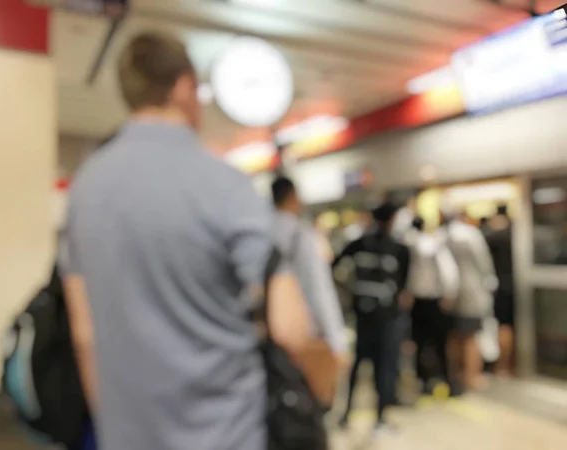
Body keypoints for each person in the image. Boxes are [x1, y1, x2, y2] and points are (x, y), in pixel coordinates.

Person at [61, 33, 312, 450]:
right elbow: (290, 328)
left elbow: (84, 332)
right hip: (225, 433)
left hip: (126, 434)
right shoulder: (225, 184)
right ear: (183, 87)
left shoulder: (85, 188)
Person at [333, 202, 411, 435]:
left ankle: (346, 414)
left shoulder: (358, 244)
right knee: (384, 367)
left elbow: (335, 264)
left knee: (358, 365)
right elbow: (403, 289)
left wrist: (350, 292)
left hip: (362, 315)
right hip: (386, 318)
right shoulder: (399, 249)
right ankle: (379, 418)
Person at [271, 177, 347, 361]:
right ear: (293, 197)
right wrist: (336, 340)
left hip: (271, 333)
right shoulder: (301, 235)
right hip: (303, 333)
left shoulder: (258, 233)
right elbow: (318, 288)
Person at [444, 212, 497, 390]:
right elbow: (483, 263)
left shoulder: (445, 235)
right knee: (471, 335)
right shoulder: (470, 235)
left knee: (455, 336)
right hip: (472, 291)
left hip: (450, 292)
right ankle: (471, 375)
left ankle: (456, 372)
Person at [405, 216, 459, 392]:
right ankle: (445, 379)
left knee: (420, 343)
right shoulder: (433, 244)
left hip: (417, 301)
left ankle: (423, 380)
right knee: (440, 343)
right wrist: (449, 294)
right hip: (434, 300)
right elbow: (448, 272)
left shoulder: (408, 244)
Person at [485, 204, 515, 376]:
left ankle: (502, 366)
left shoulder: (495, 235)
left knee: (503, 327)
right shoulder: (516, 232)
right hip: (514, 285)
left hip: (502, 287)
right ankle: (510, 365)